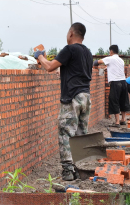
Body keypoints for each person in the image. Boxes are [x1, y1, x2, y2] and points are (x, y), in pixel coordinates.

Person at [34, 23, 93, 181]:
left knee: (66, 133)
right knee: (80, 134)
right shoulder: (87, 52)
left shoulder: (70, 49)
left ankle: (68, 171)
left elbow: (49, 67)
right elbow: (72, 70)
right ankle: (79, 169)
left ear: (72, 33)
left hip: (72, 97)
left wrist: (40, 56)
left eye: (68, 32)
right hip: (86, 97)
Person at [95, 45, 129, 126]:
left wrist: (92, 64)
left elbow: (97, 62)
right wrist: (107, 68)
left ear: (111, 51)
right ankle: (123, 119)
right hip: (123, 82)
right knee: (123, 100)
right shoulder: (121, 60)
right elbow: (116, 68)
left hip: (115, 83)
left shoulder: (110, 58)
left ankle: (117, 122)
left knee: (114, 100)